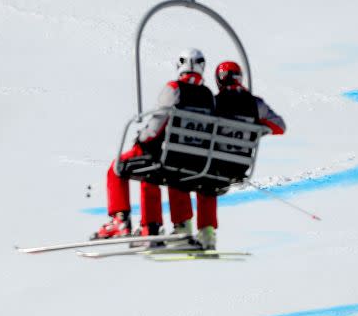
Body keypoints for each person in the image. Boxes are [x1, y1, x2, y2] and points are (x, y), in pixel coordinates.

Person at [165, 60, 286, 250]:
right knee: (208, 180)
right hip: (240, 164)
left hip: (215, 163)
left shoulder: (214, 102)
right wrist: (258, 128)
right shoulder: (255, 104)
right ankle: (207, 234)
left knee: (184, 169)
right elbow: (280, 126)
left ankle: (184, 229)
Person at [96, 48, 214, 239]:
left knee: (117, 168)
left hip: (168, 156)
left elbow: (157, 123)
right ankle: (181, 225)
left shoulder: (174, 89)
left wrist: (141, 139)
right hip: (195, 159)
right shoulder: (208, 96)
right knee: (174, 174)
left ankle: (124, 221)